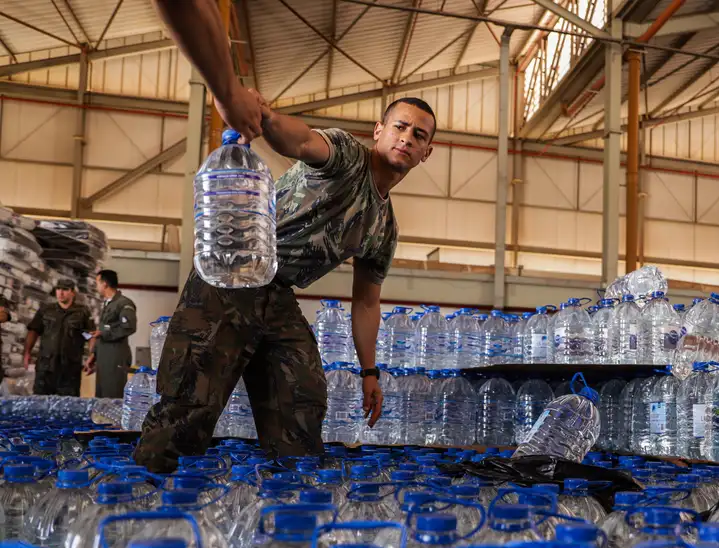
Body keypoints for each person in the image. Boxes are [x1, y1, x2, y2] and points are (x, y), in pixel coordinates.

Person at [136, 1, 435, 473]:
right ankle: (147, 494)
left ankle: (287, 504)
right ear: (379, 131)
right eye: (399, 127)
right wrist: (260, 115)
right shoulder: (344, 154)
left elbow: (366, 303)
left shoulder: (384, 226)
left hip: (276, 294)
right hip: (232, 274)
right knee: (190, 400)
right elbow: (296, 140)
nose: (407, 138)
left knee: (301, 397)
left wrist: (370, 371)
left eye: (418, 135)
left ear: (425, 153)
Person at [24, 278, 95, 396]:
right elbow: (34, 331)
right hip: (46, 367)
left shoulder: (82, 313)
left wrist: (92, 356)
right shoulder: (46, 310)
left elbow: (90, 336)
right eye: (58, 289)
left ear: (73, 292)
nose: (60, 293)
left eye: (65, 290)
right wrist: (27, 353)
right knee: (40, 404)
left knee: (67, 406)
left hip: (69, 368)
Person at [86, 269, 137, 398]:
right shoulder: (108, 304)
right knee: (101, 397)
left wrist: (104, 333)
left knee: (112, 396)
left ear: (105, 284)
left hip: (115, 358)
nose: (96, 286)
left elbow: (129, 327)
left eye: (97, 282)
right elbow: (102, 330)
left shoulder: (124, 303)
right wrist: (94, 355)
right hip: (104, 357)